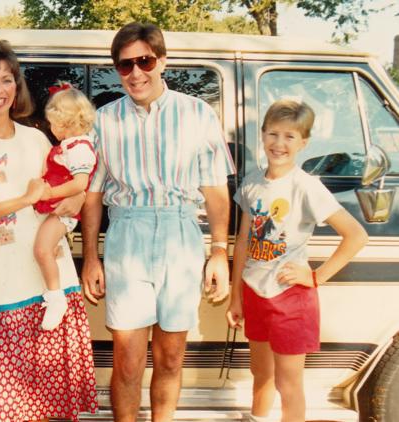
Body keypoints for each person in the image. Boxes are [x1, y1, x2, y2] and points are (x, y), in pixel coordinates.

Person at [79, 22, 235, 422]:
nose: (135, 73)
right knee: (128, 362)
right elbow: (93, 194)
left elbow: (216, 190)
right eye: (124, 65)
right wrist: (92, 257)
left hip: (181, 233)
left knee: (170, 358)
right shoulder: (103, 121)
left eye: (144, 61)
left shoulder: (197, 114)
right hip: (127, 233)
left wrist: (219, 252)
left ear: (162, 61)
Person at [0, 38, 98, 422]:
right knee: (8, 409)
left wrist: (74, 201)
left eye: (6, 80)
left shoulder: (38, 139)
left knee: (49, 406)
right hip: (1, 290)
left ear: (17, 87)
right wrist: (24, 200)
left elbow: (73, 185)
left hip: (50, 289)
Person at [226, 100, 367, 422]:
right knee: (260, 378)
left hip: (290, 299)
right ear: (262, 135)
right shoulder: (251, 184)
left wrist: (316, 277)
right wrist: (235, 296)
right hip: (254, 293)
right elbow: (244, 242)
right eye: (273, 134)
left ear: (304, 143)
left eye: (290, 137)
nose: (279, 144)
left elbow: (356, 235)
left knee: (288, 384)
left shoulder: (306, 187)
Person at [33, 83, 97, 330]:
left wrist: (49, 192)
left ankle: (55, 298)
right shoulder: (70, 145)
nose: (51, 128)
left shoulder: (79, 148)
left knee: (42, 250)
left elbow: (80, 183)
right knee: (44, 249)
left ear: (65, 123)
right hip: (56, 209)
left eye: (53, 123)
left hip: (63, 212)